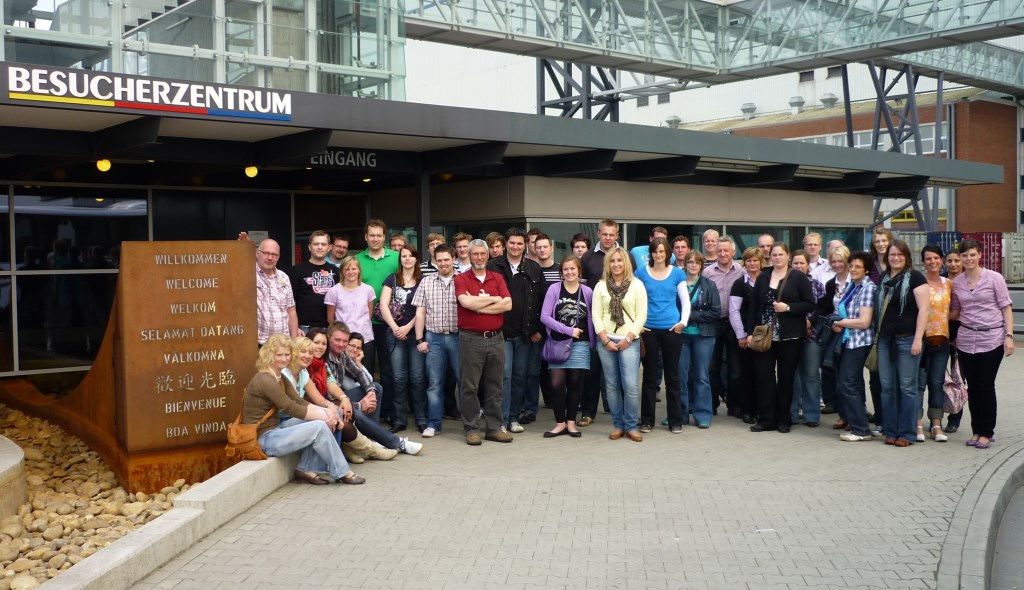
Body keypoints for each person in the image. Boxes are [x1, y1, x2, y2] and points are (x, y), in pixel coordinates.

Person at [244, 334, 363, 485]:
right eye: (279, 355)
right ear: (269, 355)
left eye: (287, 354)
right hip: (263, 440)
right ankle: (343, 472)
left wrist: (327, 412)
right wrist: (325, 417)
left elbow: (300, 401)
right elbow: (292, 408)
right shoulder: (265, 379)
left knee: (323, 419)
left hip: (276, 429)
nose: (284, 359)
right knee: (319, 425)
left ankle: (307, 468)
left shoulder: (279, 377)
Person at [281, 335, 384, 468]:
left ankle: (340, 458)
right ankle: (365, 450)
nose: (307, 355)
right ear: (294, 352)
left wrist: (331, 405)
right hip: (284, 420)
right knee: (331, 416)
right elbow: (297, 406)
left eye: (310, 352)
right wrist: (327, 411)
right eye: (303, 351)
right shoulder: (285, 374)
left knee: (336, 411)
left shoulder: (303, 372)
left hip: (301, 413)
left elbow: (319, 398)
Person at [950, 238, 1014, 449]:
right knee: (973, 388)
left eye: (972, 254)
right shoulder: (957, 282)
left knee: (986, 385)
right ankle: (976, 430)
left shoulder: (994, 278)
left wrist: (1009, 336)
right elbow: (956, 311)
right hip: (967, 340)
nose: (968, 259)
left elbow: (1006, 308)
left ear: (979, 255)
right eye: (965, 255)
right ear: (960, 257)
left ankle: (987, 431)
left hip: (992, 338)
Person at [744, 242, 815, 433]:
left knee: (786, 378)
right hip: (765, 335)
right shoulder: (763, 276)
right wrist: (749, 333)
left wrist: (789, 308)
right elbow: (753, 307)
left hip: (790, 336)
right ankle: (766, 419)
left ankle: (784, 419)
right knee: (764, 377)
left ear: (788, 256)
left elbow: (810, 304)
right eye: (774, 255)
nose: (777, 258)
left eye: (780, 254)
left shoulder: (798, 277)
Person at [323, 323, 423, 456]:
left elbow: (359, 373)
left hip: (340, 398)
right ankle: (397, 443)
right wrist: (359, 405)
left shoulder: (342, 354)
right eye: (337, 340)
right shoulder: (323, 358)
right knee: (355, 412)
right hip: (326, 403)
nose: (341, 344)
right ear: (329, 338)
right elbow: (329, 398)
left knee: (376, 388)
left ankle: (373, 438)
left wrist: (371, 392)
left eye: (344, 341)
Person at [578, 220, 637, 427]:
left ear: (617, 235)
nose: (608, 238)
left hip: (623, 326)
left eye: (612, 235)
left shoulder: (626, 256)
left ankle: (624, 414)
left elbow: (633, 284)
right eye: (604, 234)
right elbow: (582, 289)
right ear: (598, 234)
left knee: (622, 376)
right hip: (596, 321)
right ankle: (588, 411)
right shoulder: (587, 257)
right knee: (592, 370)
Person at [456, 239, 513, 445]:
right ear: (469, 256)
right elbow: (466, 302)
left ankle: (494, 428)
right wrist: (493, 299)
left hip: (496, 338)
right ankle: (471, 428)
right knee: (469, 386)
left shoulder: (497, 277)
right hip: (471, 340)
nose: (479, 257)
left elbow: (508, 304)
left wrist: (479, 306)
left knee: (495, 386)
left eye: (482, 254)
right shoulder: (461, 279)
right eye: (475, 254)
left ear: (488, 255)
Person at [488, 228, 544, 433]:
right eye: (512, 243)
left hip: (525, 333)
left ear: (526, 245)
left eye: (520, 243)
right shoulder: (493, 266)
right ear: (506, 243)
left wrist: (538, 328)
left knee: (520, 375)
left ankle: (513, 418)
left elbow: (541, 301)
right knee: (504, 376)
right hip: (500, 332)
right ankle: (500, 420)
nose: (516, 247)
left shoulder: (533, 268)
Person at [876, 239, 929, 447]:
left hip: (908, 340)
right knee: (887, 387)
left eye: (899, 254)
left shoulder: (916, 277)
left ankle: (907, 433)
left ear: (906, 256)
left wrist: (918, 339)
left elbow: (924, 310)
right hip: (885, 341)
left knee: (907, 388)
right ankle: (891, 430)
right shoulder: (884, 277)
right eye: (892, 255)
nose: (895, 258)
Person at [592, 247, 647, 442]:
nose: (616, 264)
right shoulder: (600, 286)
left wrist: (629, 338)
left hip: (629, 341)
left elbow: (641, 315)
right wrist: (605, 340)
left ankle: (631, 426)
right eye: (612, 261)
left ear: (626, 263)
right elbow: (596, 315)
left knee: (631, 385)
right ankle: (618, 425)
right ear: (608, 264)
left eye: (619, 261)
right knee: (612, 385)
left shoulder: (637, 285)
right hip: (606, 341)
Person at [539, 255, 595, 438]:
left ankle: (571, 423)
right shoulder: (554, 289)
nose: (569, 272)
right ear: (561, 272)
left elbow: (592, 319)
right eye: (566, 269)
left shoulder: (587, 292)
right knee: (556, 384)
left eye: (573, 269)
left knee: (574, 384)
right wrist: (568, 330)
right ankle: (559, 423)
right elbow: (545, 316)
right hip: (558, 343)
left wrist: (593, 342)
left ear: (579, 271)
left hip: (581, 344)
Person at [635, 237, 686, 433]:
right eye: (655, 251)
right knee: (649, 376)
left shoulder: (677, 273)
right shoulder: (641, 273)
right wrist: (638, 325)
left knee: (672, 377)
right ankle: (647, 420)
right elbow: (635, 300)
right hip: (649, 330)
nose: (659, 255)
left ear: (668, 254)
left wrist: (683, 322)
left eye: (662, 251)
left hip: (672, 330)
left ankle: (676, 421)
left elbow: (685, 301)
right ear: (651, 253)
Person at [355, 219, 400, 425]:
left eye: (379, 235)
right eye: (371, 235)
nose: (375, 239)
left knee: (389, 369)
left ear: (384, 237)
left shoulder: (397, 258)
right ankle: (366, 412)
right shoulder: (356, 260)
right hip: (363, 324)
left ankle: (389, 411)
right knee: (364, 369)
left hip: (389, 324)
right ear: (366, 237)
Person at [413, 244, 460, 437]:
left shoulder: (464, 280)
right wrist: (419, 339)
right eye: (439, 260)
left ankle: (470, 424)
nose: (443, 263)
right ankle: (433, 424)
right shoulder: (426, 281)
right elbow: (420, 312)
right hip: (434, 338)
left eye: (446, 259)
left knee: (464, 382)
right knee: (434, 384)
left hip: (459, 338)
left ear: (454, 259)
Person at [831, 251, 878, 442]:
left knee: (847, 384)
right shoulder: (853, 286)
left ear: (866, 269)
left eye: (858, 266)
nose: (853, 269)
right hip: (848, 340)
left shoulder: (868, 287)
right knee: (853, 384)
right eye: (851, 266)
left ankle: (860, 429)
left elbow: (865, 321)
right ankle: (858, 424)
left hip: (860, 342)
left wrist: (841, 322)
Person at [379, 245, 426, 433]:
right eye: (403, 256)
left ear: (416, 259)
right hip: (395, 334)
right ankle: (399, 420)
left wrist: (408, 327)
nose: (407, 259)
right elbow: (383, 305)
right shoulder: (392, 279)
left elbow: (425, 308)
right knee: (398, 379)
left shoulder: (423, 280)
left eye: (410, 256)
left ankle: (422, 419)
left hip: (416, 334)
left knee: (417, 378)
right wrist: (395, 328)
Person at [702, 236, 743, 417]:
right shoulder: (708, 272)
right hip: (713, 324)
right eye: (720, 251)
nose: (723, 254)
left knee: (735, 369)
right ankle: (711, 405)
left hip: (735, 325)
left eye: (726, 250)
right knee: (712, 367)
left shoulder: (742, 271)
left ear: (733, 252)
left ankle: (734, 405)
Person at [679, 251, 719, 428]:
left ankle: (703, 413)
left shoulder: (709, 285)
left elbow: (716, 311)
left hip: (704, 336)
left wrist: (689, 315)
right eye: (690, 262)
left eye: (697, 262)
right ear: (685, 264)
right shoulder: (677, 284)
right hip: (681, 336)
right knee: (680, 376)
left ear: (701, 265)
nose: (693, 265)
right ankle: (680, 413)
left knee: (702, 376)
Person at [324, 256, 376, 386]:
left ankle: (368, 404)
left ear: (359, 270)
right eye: (347, 269)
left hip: (364, 340)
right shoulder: (334, 291)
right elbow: (331, 319)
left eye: (354, 268)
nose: (351, 272)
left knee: (365, 375)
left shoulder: (368, 290)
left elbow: (369, 315)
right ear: (341, 271)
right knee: (345, 380)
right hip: (343, 342)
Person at [789, 249, 826, 428]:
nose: (798, 266)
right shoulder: (784, 283)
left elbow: (822, 308)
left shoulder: (817, 284)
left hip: (812, 336)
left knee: (811, 375)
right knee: (791, 375)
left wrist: (810, 321)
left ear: (807, 265)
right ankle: (792, 413)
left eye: (801, 263)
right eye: (795, 263)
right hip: (790, 336)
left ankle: (811, 414)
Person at [918, 244, 951, 443]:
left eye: (936, 258)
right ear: (923, 262)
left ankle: (936, 424)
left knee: (937, 383)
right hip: (920, 340)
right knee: (919, 383)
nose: (932, 262)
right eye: (928, 258)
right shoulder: (918, 282)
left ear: (941, 260)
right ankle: (917, 423)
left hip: (942, 340)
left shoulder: (949, 284)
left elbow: (955, 309)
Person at [728, 247, 762, 424]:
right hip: (745, 337)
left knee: (763, 374)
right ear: (745, 263)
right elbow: (734, 311)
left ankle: (761, 409)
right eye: (749, 260)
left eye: (755, 260)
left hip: (765, 336)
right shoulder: (739, 284)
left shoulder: (768, 281)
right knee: (746, 374)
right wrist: (741, 336)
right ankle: (747, 409)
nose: (752, 263)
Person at [866, 226, 894, 434]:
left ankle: (894, 416)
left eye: (884, 240)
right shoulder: (870, 264)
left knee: (894, 376)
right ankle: (880, 416)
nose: (881, 244)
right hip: (873, 326)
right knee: (875, 374)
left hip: (895, 327)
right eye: (878, 241)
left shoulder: (898, 262)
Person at [820, 245, 851, 417]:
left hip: (854, 331)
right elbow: (826, 307)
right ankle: (838, 408)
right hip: (835, 330)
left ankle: (851, 410)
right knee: (832, 368)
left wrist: (845, 322)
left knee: (849, 374)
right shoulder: (831, 283)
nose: (837, 264)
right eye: (834, 261)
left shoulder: (855, 281)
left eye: (840, 261)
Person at [251, 238, 299, 345]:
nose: (270, 258)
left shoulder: (284, 277)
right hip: (260, 344)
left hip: (284, 343)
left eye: (274, 254)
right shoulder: (248, 274)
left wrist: (294, 340)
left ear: (278, 257)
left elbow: (291, 310)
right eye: (266, 253)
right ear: (257, 253)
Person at [287, 231, 336, 334]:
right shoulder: (296, 270)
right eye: (316, 244)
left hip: (329, 328)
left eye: (323, 244)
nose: (319, 247)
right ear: (309, 247)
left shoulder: (335, 271)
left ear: (329, 247)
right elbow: (289, 302)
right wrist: (295, 328)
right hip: (304, 328)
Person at [943, 248, 965, 433]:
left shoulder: (967, 281)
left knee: (959, 378)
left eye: (957, 260)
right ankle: (938, 414)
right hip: (941, 335)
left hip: (962, 337)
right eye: (950, 260)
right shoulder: (940, 281)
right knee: (939, 378)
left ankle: (955, 417)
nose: (953, 264)